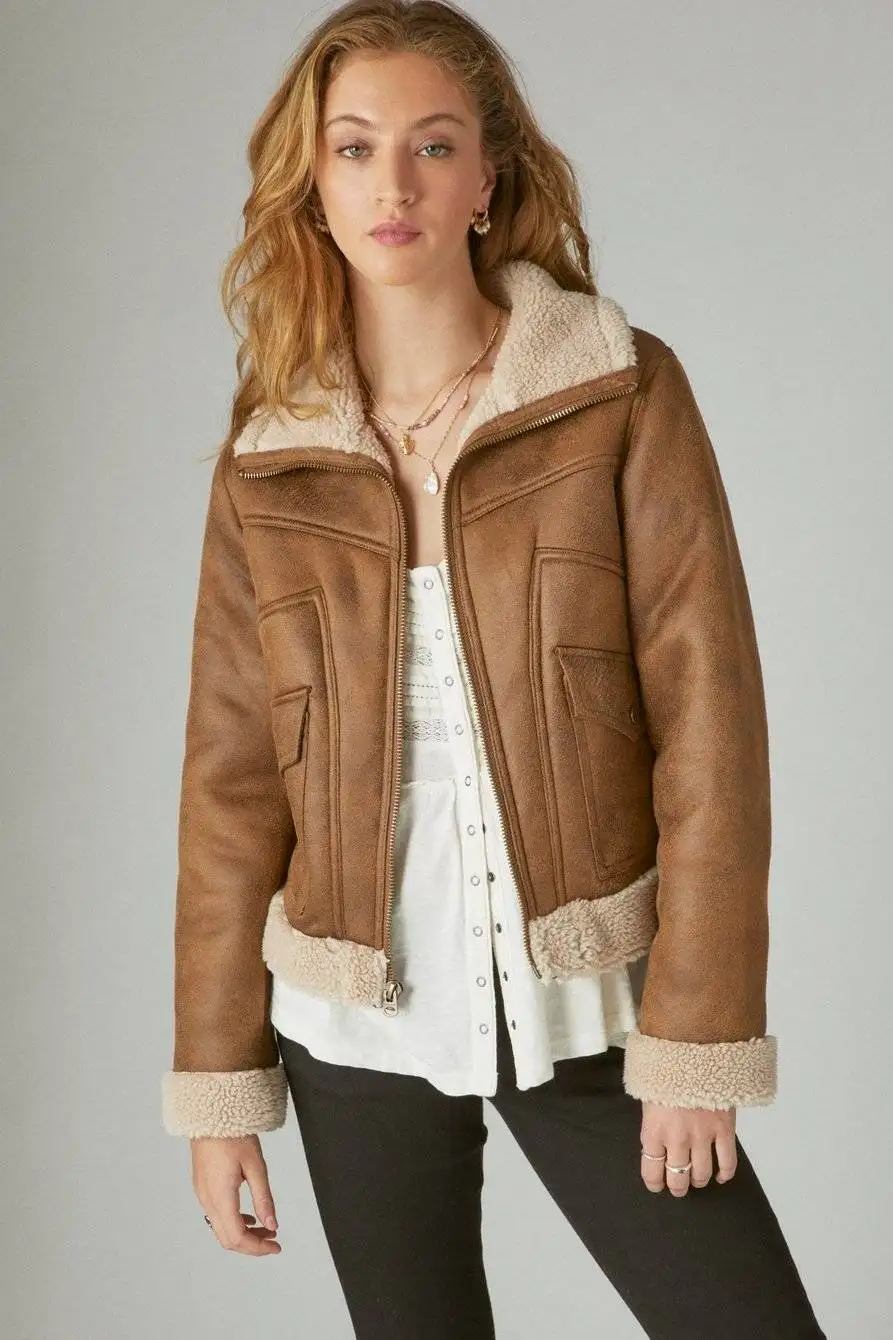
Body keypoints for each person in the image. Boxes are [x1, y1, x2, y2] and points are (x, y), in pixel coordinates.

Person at [160, 2, 826, 1336]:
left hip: (591, 1003)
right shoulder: (270, 457)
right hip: (354, 1027)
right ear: (312, 183)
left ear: (486, 177)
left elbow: (710, 724)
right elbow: (233, 786)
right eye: (354, 148)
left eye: (432, 145)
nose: (392, 185)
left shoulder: (616, 393)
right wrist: (219, 1088)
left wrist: (696, 1037)